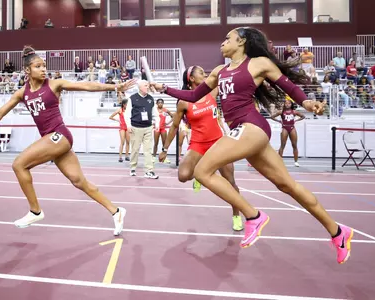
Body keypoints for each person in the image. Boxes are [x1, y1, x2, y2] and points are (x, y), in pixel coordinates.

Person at [151, 27, 353, 264]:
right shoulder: (219, 71)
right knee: (287, 185)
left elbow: (289, 87)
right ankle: (338, 232)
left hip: (251, 126)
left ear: (242, 41)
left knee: (202, 171)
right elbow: (194, 96)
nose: (222, 42)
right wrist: (165, 89)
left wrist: (307, 102)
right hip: (246, 132)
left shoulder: (258, 64)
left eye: (228, 38)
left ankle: (253, 216)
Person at [0, 46, 137, 235]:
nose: (43, 69)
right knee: (79, 181)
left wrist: (115, 86)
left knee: (19, 165)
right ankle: (116, 212)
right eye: (38, 66)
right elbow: (0, 113)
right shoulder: (22, 93)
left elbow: (86, 86)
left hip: (60, 135)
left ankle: (35, 211)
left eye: (44, 66)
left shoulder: (54, 84)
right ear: (27, 70)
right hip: (53, 141)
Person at [158, 65, 243, 231]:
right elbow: (174, 126)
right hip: (198, 143)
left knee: (231, 182)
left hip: (218, 142)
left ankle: (236, 215)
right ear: (191, 79)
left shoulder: (212, 91)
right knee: (183, 176)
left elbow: (229, 80)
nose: (206, 75)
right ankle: (200, 174)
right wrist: (165, 149)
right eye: (202, 73)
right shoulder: (183, 102)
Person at [123, 80, 160, 179]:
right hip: (136, 127)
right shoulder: (132, 98)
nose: (147, 87)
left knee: (148, 150)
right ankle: (132, 167)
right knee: (135, 149)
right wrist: (128, 125)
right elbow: (127, 113)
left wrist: (157, 124)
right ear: (140, 87)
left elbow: (155, 113)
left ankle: (149, 170)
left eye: (148, 85)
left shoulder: (151, 99)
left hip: (148, 127)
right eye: (145, 85)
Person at [270, 97, 305, 167]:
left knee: (294, 145)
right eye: (286, 103)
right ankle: (279, 161)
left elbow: (303, 116)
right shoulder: (281, 111)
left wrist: (296, 120)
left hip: (292, 127)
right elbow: (272, 117)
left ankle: (296, 161)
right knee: (282, 145)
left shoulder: (294, 112)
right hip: (285, 127)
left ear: (291, 104)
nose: (287, 104)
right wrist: (279, 121)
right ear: (284, 104)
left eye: (289, 103)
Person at [152, 98, 173, 163]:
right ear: (157, 103)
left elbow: (173, 116)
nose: (160, 104)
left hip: (163, 128)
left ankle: (165, 158)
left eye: (161, 102)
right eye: (159, 103)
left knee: (164, 144)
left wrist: (168, 123)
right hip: (157, 128)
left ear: (163, 103)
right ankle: (154, 157)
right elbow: (150, 117)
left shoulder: (165, 110)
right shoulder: (154, 110)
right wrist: (153, 122)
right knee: (156, 143)